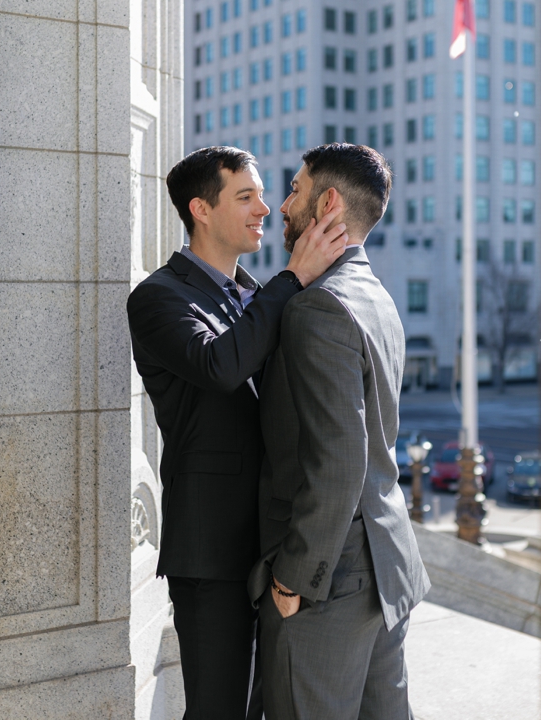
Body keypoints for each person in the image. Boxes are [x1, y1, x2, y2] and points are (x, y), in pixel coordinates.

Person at [127, 146, 347, 719]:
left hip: (273, 540)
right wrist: (293, 277)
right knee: (217, 709)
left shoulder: (254, 294)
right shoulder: (157, 297)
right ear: (200, 208)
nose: (265, 209)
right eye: (245, 196)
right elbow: (221, 365)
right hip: (211, 549)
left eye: (264, 194)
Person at [248, 143, 431, 719]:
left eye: (295, 189)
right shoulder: (377, 297)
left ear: (328, 203)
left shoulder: (318, 308)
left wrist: (293, 579)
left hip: (328, 581)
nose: (281, 205)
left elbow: (340, 461)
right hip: (385, 571)